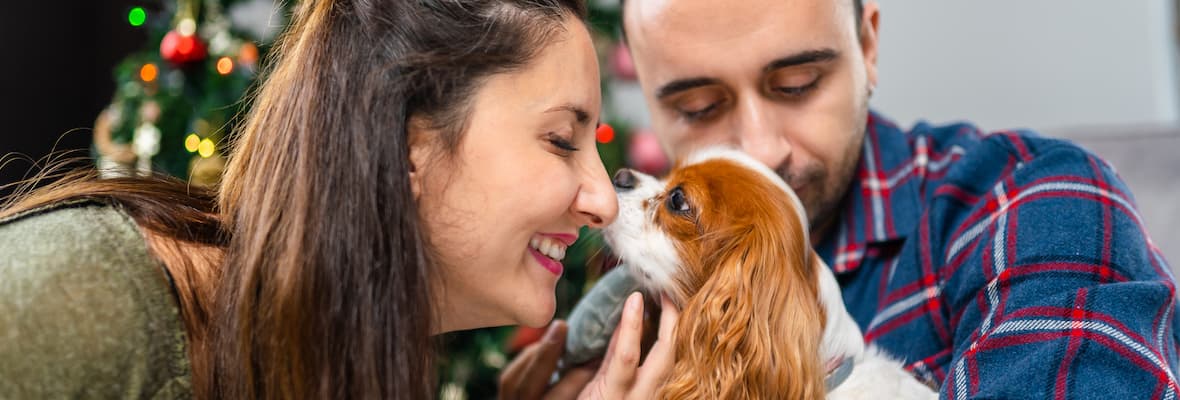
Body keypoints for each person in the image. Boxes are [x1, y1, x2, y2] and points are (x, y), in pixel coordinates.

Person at [0, 0, 679, 399]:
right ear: (407, 138)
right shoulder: (80, 299)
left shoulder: (351, 359)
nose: (604, 200)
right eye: (561, 139)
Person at [504, 0, 1179, 398]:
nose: (757, 149)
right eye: (699, 106)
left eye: (796, 83)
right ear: (647, 97)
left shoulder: (1035, 199)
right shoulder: (625, 271)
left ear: (868, 44)